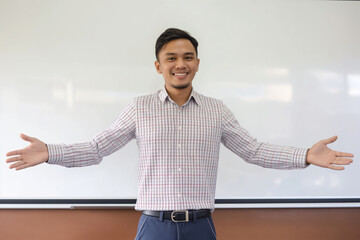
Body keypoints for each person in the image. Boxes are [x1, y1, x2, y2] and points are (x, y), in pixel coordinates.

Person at [5, 28, 354, 240]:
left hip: (201, 227)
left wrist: (306, 155)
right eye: (171, 58)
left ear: (198, 63)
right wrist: (50, 151)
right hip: (153, 227)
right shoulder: (139, 108)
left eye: (188, 57)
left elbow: (254, 151)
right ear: (159, 66)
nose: (180, 64)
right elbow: (97, 148)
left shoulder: (217, 110)